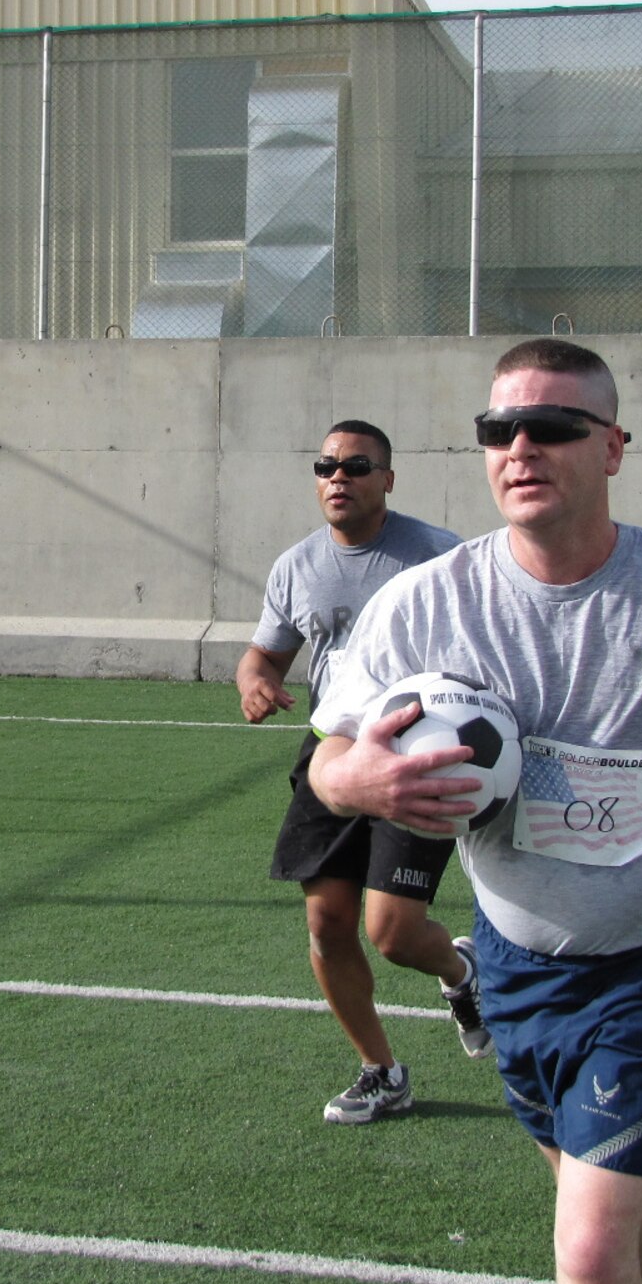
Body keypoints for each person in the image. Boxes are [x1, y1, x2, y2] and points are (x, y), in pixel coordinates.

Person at [305, 341, 642, 1284]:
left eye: (553, 427)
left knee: (585, 1255)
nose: (522, 448)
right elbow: (330, 759)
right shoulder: (422, 604)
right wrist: (362, 784)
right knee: (606, 1194)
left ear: (615, 447)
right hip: (513, 961)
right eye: (500, 429)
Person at [237, 418, 487, 1126]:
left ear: (387, 478)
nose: (337, 477)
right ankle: (382, 1071)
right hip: (332, 758)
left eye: (354, 465)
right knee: (326, 922)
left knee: (395, 934)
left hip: (415, 754)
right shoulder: (296, 565)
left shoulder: (439, 558)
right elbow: (264, 656)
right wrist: (253, 681)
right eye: (324, 466)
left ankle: (462, 973)